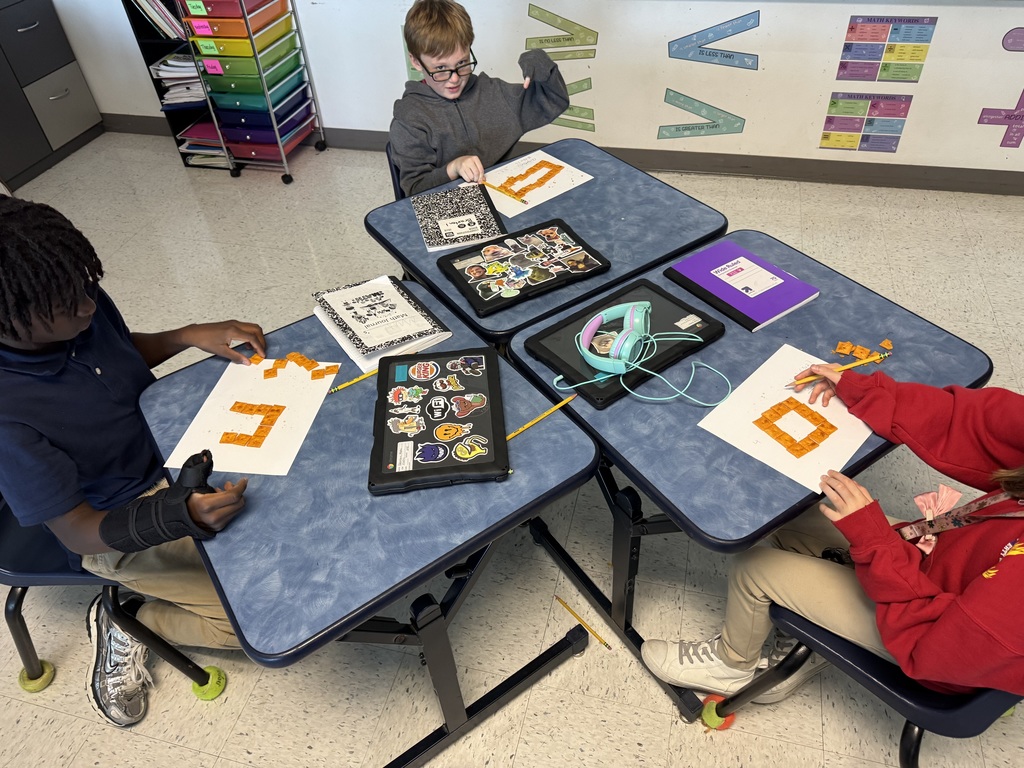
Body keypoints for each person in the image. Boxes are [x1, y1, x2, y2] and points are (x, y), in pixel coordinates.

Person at [0, 197, 266, 726]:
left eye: (84, 285)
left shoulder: (75, 301)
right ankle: (130, 619)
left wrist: (187, 336)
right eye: (64, 302)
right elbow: (77, 533)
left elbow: (115, 354)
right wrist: (174, 515)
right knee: (253, 623)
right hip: (118, 521)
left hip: (174, 451)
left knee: (292, 519)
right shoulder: (8, 413)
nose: (87, 307)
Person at [641, 364, 1024, 703]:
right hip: (933, 571)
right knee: (792, 515)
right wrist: (869, 393)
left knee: (754, 567)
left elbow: (940, 650)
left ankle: (731, 666)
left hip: (936, 642)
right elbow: (975, 421)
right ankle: (802, 638)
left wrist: (875, 541)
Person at [389, 0, 570, 197]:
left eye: (462, 62)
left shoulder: (493, 93)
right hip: (446, 206)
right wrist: (453, 168)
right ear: (415, 61)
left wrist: (542, 66)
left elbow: (554, 101)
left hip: (501, 196)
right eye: (440, 68)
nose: (455, 78)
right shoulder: (409, 118)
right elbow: (415, 190)